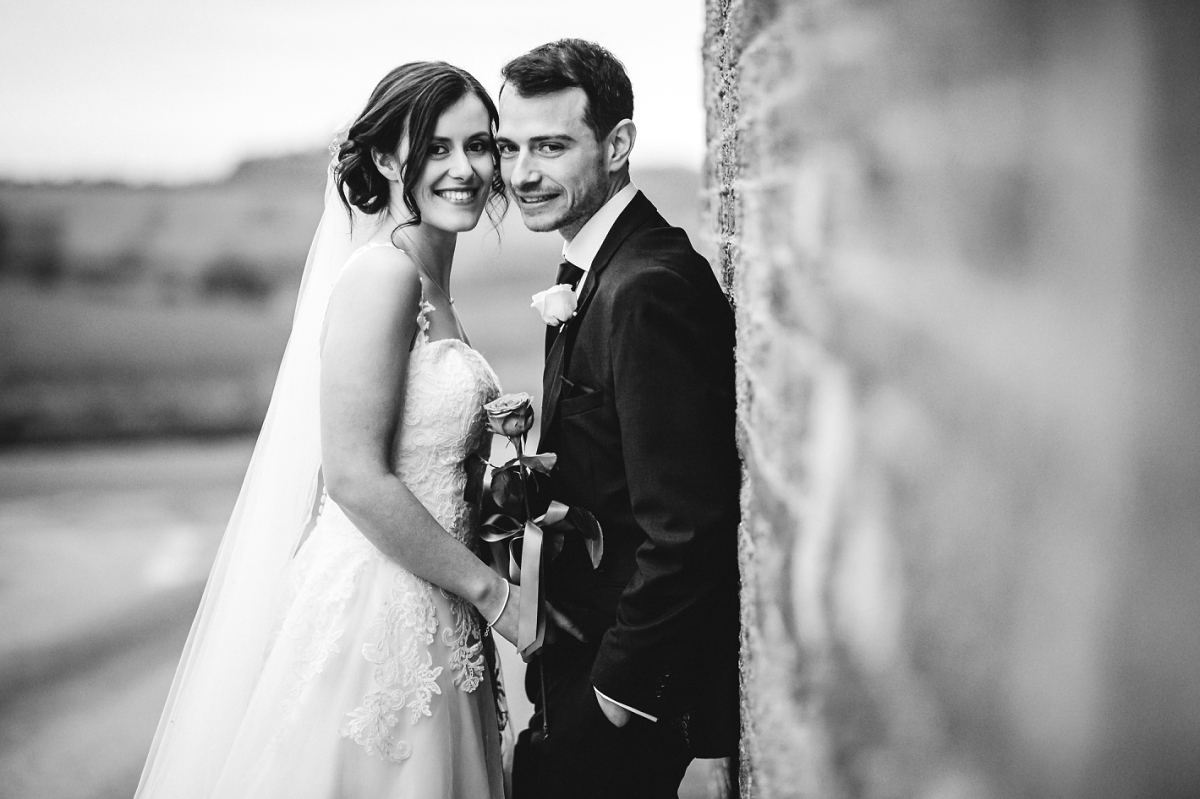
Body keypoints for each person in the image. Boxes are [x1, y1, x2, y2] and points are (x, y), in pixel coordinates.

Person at [135, 61, 522, 799]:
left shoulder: (434, 287)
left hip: (441, 617)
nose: (465, 169)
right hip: (380, 625)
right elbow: (352, 475)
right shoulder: (384, 275)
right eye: (436, 148)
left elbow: (421, 460)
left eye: (480, 146)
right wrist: (494, 595)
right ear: (384, 159)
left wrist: (504, 485)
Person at [496, 39, 742, 799]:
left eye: (551, 145)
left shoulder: (646, 287)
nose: (522, 173)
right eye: (510, 148)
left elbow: (690, 525)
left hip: (622, 713)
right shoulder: (596, 272)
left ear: (618, 144)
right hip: (570, 681)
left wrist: (616, 693)